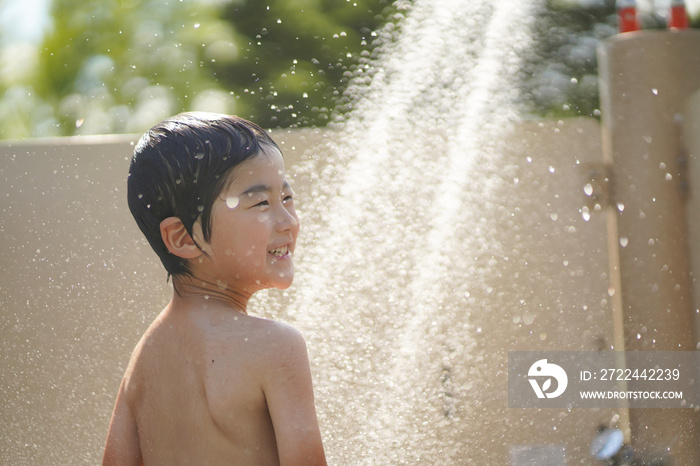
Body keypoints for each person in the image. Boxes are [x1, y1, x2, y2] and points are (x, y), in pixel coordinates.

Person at [103, 112, 326, 465]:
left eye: (287, 197)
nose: (288, 221)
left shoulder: (144, 360)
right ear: (182, 237)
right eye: (261, 203)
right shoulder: (274, 347)